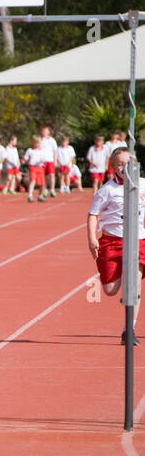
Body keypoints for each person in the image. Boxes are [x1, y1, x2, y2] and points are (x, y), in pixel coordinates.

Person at [87, 147, 145, 345]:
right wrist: (92, 238)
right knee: (110, 289)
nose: (123, 167)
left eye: (127, 163)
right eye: (119, 164)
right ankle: (122, 278)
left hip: (137, 240)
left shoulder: (143, 185)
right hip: (112, 242)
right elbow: (93, 215)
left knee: (134, 283)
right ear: (113, 167)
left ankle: (130, 329)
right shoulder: (107, 190)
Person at [23, 135, 47, 202]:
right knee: (33, 180)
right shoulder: (30, 150)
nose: (37, 145)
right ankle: (30, 195)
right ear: (33, 143)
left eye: (38, 143)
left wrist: (42, 161)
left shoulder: (41, 150)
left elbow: (44, 159)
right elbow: (25, 159)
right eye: (36, 143)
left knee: (42, 183)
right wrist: (27, 160)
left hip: (40, 167)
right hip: (32, 167)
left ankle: (40, 196)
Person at [39, 125, 59, 197]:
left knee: (51, 175)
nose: (45, 132)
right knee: (43, 176)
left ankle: (52, 189)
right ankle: (45, 190)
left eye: (46, 131)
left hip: (50, 160)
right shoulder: (40, 140)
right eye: (44, 131)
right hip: (42, 161)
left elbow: (55, 151)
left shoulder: (52, 140)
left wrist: (55, 161)